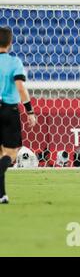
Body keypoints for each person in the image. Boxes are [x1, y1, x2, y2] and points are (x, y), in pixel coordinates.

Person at [0, 26, 36, 204]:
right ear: (10, 43)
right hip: (9, 109)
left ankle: (1, 194)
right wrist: (30, 111)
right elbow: (20, 87)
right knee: (11, 154)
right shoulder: (14, 62)